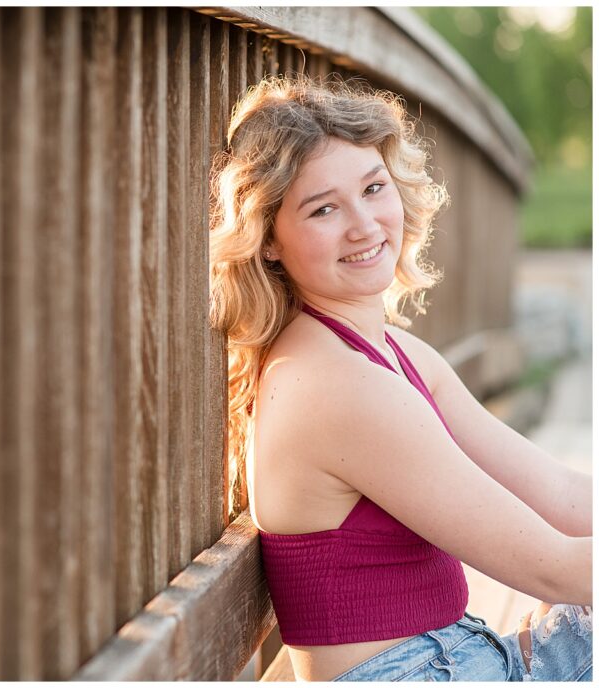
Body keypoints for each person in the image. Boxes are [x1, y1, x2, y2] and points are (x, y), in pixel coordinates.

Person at [208, 73, 592, 681]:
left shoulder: (387, 352)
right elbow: (556, 569)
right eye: (324, 208)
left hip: (460, 653)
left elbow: (564, 497)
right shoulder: (334, 387)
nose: (364, 226)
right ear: (270, 240)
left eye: (373, 187)